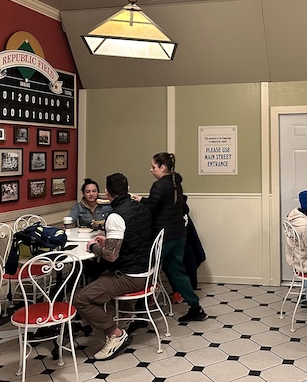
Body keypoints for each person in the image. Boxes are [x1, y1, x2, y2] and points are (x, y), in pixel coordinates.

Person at [72, 173, 153, 361]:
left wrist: (94, 247)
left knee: (81, 298)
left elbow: (111, 255)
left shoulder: (116, 216)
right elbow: (133, 238)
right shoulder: (141, 207)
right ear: (128, 189)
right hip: (148, 269)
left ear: (107, 193)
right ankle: (125, 314)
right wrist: (108, 242)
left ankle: (115, 334)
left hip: (132, 276)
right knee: (99, 278)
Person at [134, 152, 207, 322]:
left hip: (164, 236)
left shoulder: (159, 185)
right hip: (179, 234)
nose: (151, 170)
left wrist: (140, 200)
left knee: (148, 269)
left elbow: (151, 208)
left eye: (153, 166)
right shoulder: (176, 183)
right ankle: (195, 307)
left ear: (162, 167)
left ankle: (140, 310)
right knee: (176, 271)